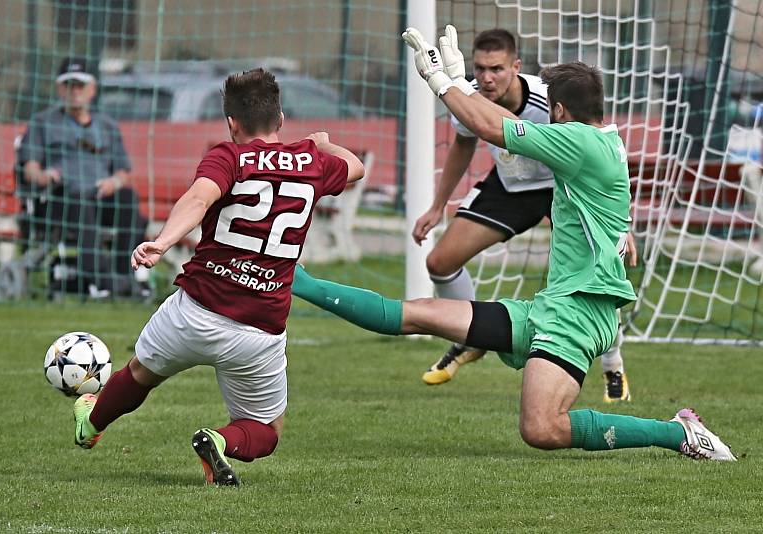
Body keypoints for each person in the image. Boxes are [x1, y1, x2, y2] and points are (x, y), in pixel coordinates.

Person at [290, 27, 736, 461]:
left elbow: (493, 128)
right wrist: (464, 85)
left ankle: (678, 432)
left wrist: (439, 82)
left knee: (542, 429)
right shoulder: (596, 137)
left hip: (578, 317)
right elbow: (504, 119)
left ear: (559, 111)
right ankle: (297, 278)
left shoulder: (579, 143)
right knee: (414, 315)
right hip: (550, 307)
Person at [72, 68, 366, 485]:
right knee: (267, 431)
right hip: (259, 330)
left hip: (194, 311)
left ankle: (90, 424)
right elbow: (355, 168)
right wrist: (323, 143)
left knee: (140, 373)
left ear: (232, 123)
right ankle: (219, 440)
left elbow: (198, 198)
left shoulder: (226, 156)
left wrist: (163, 241)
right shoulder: (311, 160)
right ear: (280, 117)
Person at [413, 27, 632, 403]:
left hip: (558, 187)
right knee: (440, 261)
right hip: (512, 187)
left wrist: (439, 80)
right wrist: (438, 206)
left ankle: (612, 364)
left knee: (587, 273)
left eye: (496, 68)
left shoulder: (552, 104)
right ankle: (472, 339)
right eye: (479, 68)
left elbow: (491, 126)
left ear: (516, 67)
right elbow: (467, 139)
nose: (486, 77)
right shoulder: (477, 97)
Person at [18, 57, 148, 297]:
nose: (74, 91)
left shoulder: (107, 126)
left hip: (100, 195)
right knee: (77, 199)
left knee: (128, 198)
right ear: (59, 88)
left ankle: (125, 273)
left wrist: (114, 182)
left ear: (92, 89)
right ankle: (101, 278)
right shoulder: (42, 123)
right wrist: (43, 176)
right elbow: (29, 168)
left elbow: (122, 172)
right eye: (69, 85)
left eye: (80, 85)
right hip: (62, 198)